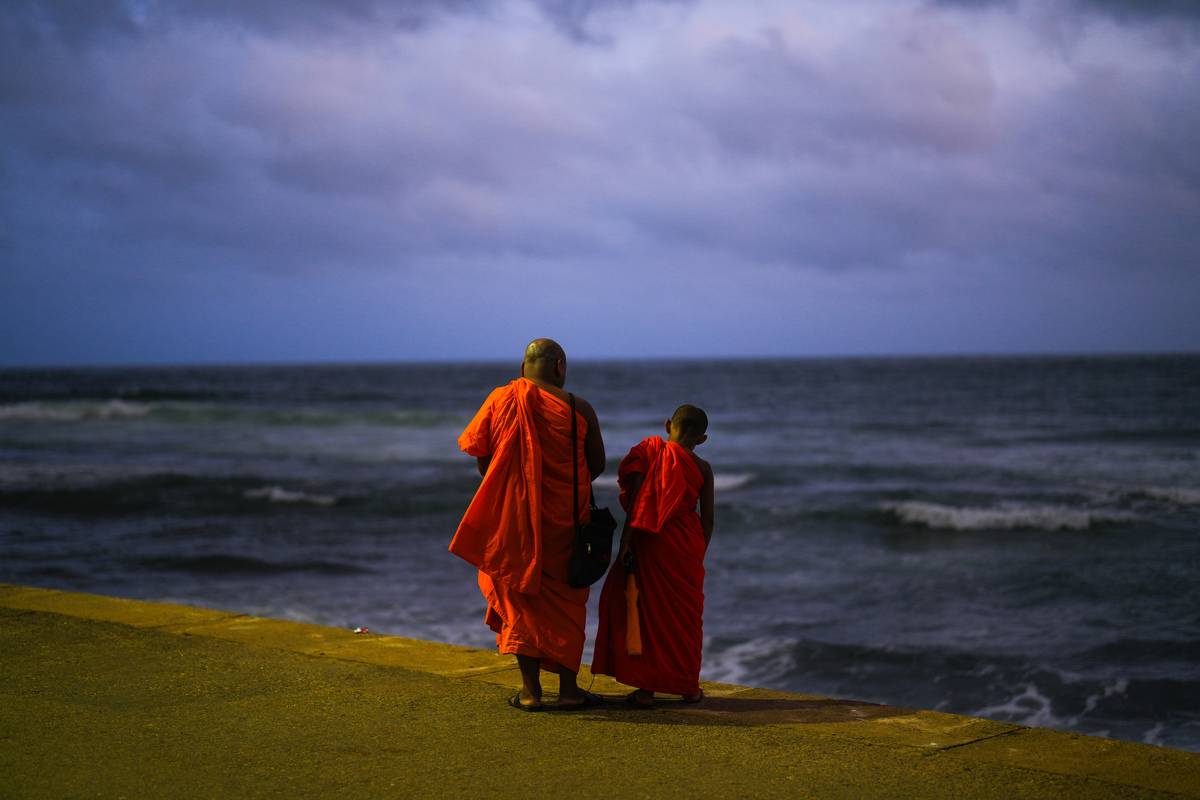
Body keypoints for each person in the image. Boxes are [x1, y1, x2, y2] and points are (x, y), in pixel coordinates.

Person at [450, 338, 606, 711]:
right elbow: (596, 464)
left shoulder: (501, 399)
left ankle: (531, 692)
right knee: (567, 603)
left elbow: (483, 459)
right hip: (566, 525)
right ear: (560, 367)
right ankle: (569, 690)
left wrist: (518, 482)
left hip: (515, 522)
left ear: (523, 368)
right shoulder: (578, 408)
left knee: (520, 598)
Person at [592, 404, 715, 707]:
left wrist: (625, 545)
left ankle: (647, 689)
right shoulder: (703, 468)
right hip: (686, 544)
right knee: (685, 619)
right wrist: (699, 550)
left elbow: (638, 505)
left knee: (646, 614)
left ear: (667, 425)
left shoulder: (648, 453)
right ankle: (688, 687)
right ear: (702, 439)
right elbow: (708, 518)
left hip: (651, 539)